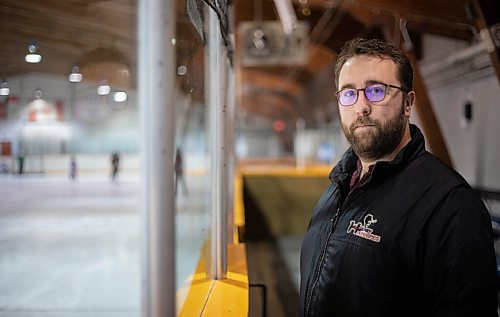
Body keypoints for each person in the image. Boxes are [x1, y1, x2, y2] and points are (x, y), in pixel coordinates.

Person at [299, 38, 498, 316]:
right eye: (348, 93)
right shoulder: (339, 186)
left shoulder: (450, 204)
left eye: (376, 91)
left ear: (407, 103)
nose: (362, 106)